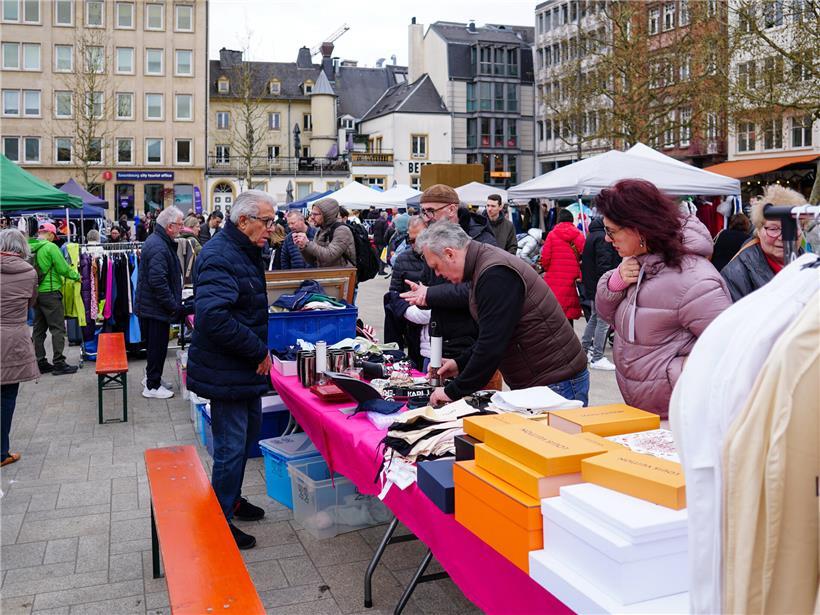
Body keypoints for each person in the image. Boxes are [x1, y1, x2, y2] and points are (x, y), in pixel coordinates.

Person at [595, 179, 732, 418]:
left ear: (638, 229)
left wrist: (681, 374)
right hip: (643, 411)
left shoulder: (695, 281)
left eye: (611, 231)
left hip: (680, 415)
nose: (607, 239)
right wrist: (616, 281)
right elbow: (607, 315)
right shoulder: (639, 262)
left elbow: (732, 350)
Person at [187, 190, 275, 550]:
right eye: (267, 221)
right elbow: (214, 317)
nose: (272, 228)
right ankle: (218, 519)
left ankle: (233, 499)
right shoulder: (220, 254)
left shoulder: (243, 250)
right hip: (228, 369)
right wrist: (258, 350)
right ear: (244, 221)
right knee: (230, 448)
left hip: (242, 368)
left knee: (246, 437)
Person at [418, 222, 589, 407]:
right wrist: (459, 364)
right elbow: (493, 334)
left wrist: (453, 391)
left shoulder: (494, 273)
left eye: (436, 267)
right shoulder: (483, 265)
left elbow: (491, 345)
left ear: (450, 254)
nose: (437, 274)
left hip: (555, 382)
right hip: (545, 380)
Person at [401, 184, 497, 361]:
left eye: (430, 211)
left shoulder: (482, 241)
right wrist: (421, 297)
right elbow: (429, 283)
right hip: (439, 340)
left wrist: (430, 294)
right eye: (423, 211)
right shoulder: (434, 239)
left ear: (452, 209)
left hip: (474, 344)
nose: (426, 218)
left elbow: (478, 290)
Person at [721, 185, 805, 301]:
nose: (784, 237)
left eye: (792, 228)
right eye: (773, 229)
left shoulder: (810, 262)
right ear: (758, 231)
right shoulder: (735, 274)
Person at [134, 207, 184, 399]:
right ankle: (152, 386)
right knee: (157, 347)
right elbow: (158, 282)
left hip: (153, 306)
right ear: (170, 226)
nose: (181, 228)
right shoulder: (158, 245)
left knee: (157, 346)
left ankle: (152, 377)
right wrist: (173, 306)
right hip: (155, 308)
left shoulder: (159, 241)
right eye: (179, 224)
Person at [1, 229, 40, 467]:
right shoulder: (29, 272)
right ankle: (2, 451)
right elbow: (30, 303)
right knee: (6, 396)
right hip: (13, 338)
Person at [28, 222, 81, 375]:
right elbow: (62, 268)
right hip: (51, 293)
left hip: (36, 293)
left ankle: (40, 361)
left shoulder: (31, 247)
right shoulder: (51, 248)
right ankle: (59, 363)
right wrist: (76, 276)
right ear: (50, 234)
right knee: (58, 329)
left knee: (38, 329)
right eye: (54, 236)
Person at [384, 216, 429, 368]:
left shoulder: (439, 258)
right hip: (411, 325)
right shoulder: (403, 259)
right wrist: (408, 309)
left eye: (417, 239)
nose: (413, 244)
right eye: (410, 240)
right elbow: (394, 292)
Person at [580, 216, 620, 371]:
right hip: (600, 285)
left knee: (595, 318)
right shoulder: (602, 237)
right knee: (603, 320)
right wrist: (608, 286)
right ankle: (597, 356)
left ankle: (584, 351)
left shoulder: (592, 235)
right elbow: (604, 265)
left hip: (592, 284)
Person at [541, 209, 586, 321]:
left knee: (554, 312)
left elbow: (545, 258)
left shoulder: (551, 235)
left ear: (558, 220)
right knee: (568, 312)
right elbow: (584, 257)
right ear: (572, 220)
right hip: (572, 279)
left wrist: (547, 269)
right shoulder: (579, 236)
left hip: (554, 278)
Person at [292, 198, 356, 268]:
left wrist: (307, 243)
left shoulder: (342, 230)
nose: (312, 217)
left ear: (327, 215)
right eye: (311, 214)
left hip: (343, 276)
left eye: (315, 214)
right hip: (327, 275)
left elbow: (330, 256)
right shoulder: (320, 230)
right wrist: (303, 246)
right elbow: (313, 260)